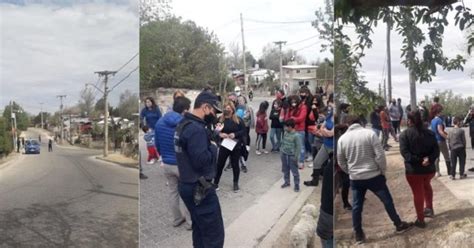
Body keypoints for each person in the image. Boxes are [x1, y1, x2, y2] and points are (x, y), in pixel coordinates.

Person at [337, 115, 413, 244]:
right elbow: (380, 156)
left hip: (356, 178)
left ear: (347, 124)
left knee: (356, 207)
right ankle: (398, 224)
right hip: (374, 175)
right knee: (387, 201)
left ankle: (359, 234)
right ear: (360, 122)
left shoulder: (342, 139)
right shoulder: (370, 134)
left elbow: (341, 161)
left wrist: (350, 172)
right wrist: (382, 171)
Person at [175, 91, 224, 248]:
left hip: (188, 184)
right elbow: (201, 161)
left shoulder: (183, 124)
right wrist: (214, 147)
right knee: (213, 235)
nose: (214, 115)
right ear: (205, 107)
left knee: (200, 229)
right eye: (214, 111)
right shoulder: (195, 129)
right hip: (199, 189)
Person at [155, 96, 192, 230]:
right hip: (182, 164)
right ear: (184, 110)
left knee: (173, 192)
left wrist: (164, 157)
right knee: (187, 192)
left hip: (167, 164)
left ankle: (177, 219)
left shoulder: (159, 122)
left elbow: (157, 144)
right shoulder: (184, 123)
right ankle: (190, 222)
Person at [399, 111, 439, 228]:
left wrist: (419, 160)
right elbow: (436, 151)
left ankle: (421, 220)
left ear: (409, 121)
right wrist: (428, 159)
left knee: (418, 192)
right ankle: (429, 209)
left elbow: (405, 154)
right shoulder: (430, 134)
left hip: (414, 171)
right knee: (426, 185)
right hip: (429, 169)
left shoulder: (405, 135)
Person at [214, 102, 246, 192]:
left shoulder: (238, 120)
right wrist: (220, 134)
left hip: (235, 146)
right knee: (220, 164)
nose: (227, 110)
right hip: (224, 145)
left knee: (235, 165)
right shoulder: (220, 120)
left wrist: (234, 134)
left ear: (232, 110)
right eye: (225, 108)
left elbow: (243, 131)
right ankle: (215, 183)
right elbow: (215, 131)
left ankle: (235, 183)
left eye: (228, 108)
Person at [280, 95, 308, 168]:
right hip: (291, 129)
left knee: (301, 146)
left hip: (300, 129)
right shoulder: (290, 108)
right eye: (292, 102)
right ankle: (293, 161)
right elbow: (286, 117)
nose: (293, 104)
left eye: (294, 102)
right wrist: (287, 124)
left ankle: (301, 162)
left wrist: (292, 119)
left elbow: (301, 118)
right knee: (292, 146)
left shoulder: (303, 107)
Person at [280, 119, 301, 192]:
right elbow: (283, 143)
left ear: (290, 127)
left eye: (286, 127)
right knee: (285, 170)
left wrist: (296, 157)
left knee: (294, 172)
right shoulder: (285, 133)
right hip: (284, 154)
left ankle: (297, 185)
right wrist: (281, 152)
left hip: (292, 156)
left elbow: (298, 147)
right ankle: (287, 182)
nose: (285, 128)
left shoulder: (296, 136)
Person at [430, 105, 451, 177]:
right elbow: (440, 131)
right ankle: (450, 171)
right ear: (438, 112)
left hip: (434, 141)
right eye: (441, 111)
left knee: (437, 157)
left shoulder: (432, 120)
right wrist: (447, 137)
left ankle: (437, 172)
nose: (442, 112)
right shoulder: (439, 120)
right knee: (446, 156)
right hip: (440, 140)